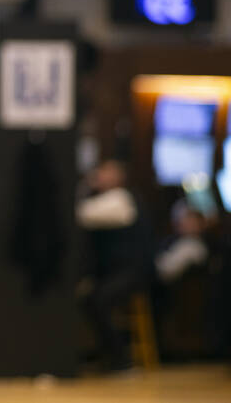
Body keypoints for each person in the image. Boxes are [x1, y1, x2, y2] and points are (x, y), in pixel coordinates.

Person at [76, 158, 152, 373]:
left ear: (119, 177)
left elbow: (82, 214)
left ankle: (122, 361)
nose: (99, 175)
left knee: (97, 299)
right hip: (115, 272)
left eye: (105, 172)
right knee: (89, 296)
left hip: (133, 272)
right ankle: (106, 356)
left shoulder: (121, 198)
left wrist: (86, 187)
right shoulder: (105, 198)